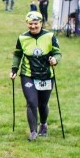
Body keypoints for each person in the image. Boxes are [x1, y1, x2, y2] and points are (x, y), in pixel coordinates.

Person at [10, 11, 61, 141]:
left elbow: (57, 53)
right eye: (30, 24)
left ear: (41, 23)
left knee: (43, 104)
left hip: (46, 75)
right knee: (32, 102)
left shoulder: (50, 36)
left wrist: (55, 60)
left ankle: (43, 124)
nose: (33, 26)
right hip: (28, 75)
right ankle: (33, 131)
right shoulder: (22, 38)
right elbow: (17, 55)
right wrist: (14, 70)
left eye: (35, 24)